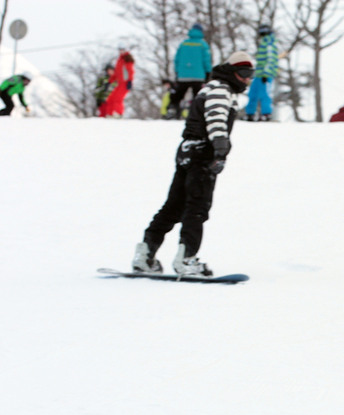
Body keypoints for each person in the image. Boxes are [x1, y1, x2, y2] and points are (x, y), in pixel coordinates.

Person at [132, 51, 254, 277]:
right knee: (197, 208)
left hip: (187, 151)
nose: (247, 79)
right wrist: (220, 149)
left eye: (251, 74)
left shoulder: (209, 87)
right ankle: (186, 259)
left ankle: (145, 254)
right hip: (202, 154)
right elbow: (216, 119)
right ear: (232, 72)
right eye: (244, 73)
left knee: (174, 206)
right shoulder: (221, 89)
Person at [171, 23, 213, 119]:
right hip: (198, 76)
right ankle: (196, 113)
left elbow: (177, 60)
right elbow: (206, 60)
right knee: (198, 96)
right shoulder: (203, 44)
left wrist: (177, 72)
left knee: (179, 94)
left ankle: (173, 109)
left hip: (183, 75)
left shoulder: (183, 43)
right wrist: (208, 72)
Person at [245, 24, 279, 121]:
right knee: (253, 93)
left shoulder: (269, 44)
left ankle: (266, 114)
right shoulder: (263, 43)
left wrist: (267, 73)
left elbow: (271, 60)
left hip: (266, 75)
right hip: (258, 74)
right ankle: (250, 114)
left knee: (265, 95)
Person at [104, 46, 135, 117]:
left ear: (125, 50)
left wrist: (130, 81)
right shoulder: (119, 60)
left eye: (122, 50)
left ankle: (119, 114)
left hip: (125, 83)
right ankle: (109, 114)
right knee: (111, 98)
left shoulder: (127, 59)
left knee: (117, 99)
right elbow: (116, 74)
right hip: (119, 83)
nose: (121, 51)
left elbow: (130, 71)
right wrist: (109, 82)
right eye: (120, 50)